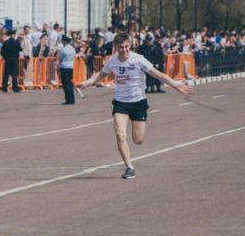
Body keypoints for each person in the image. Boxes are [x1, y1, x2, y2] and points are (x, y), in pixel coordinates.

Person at [76, 32, 193, 179]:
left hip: (138, 102)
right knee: (120, 134)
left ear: (130, 45)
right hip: (120, 103)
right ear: (115, 47)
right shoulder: (112, 61)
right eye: (120, 47)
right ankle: (129, 167)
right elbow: (101, 74)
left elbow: (158, 74)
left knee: (138, 140)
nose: (124, 50)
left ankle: (134, 145)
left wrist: (175, 85)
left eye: (126, 46)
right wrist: (87, 83)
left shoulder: (138, 60)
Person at [58, 35, 76, 105]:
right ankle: (72, 99)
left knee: (65, 84)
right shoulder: (72, 49)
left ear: (64, 42)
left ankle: (68, 99)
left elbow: (60, 58)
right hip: (71, 67)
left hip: (64, 67)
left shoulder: (63, 49)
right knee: (70, 84)